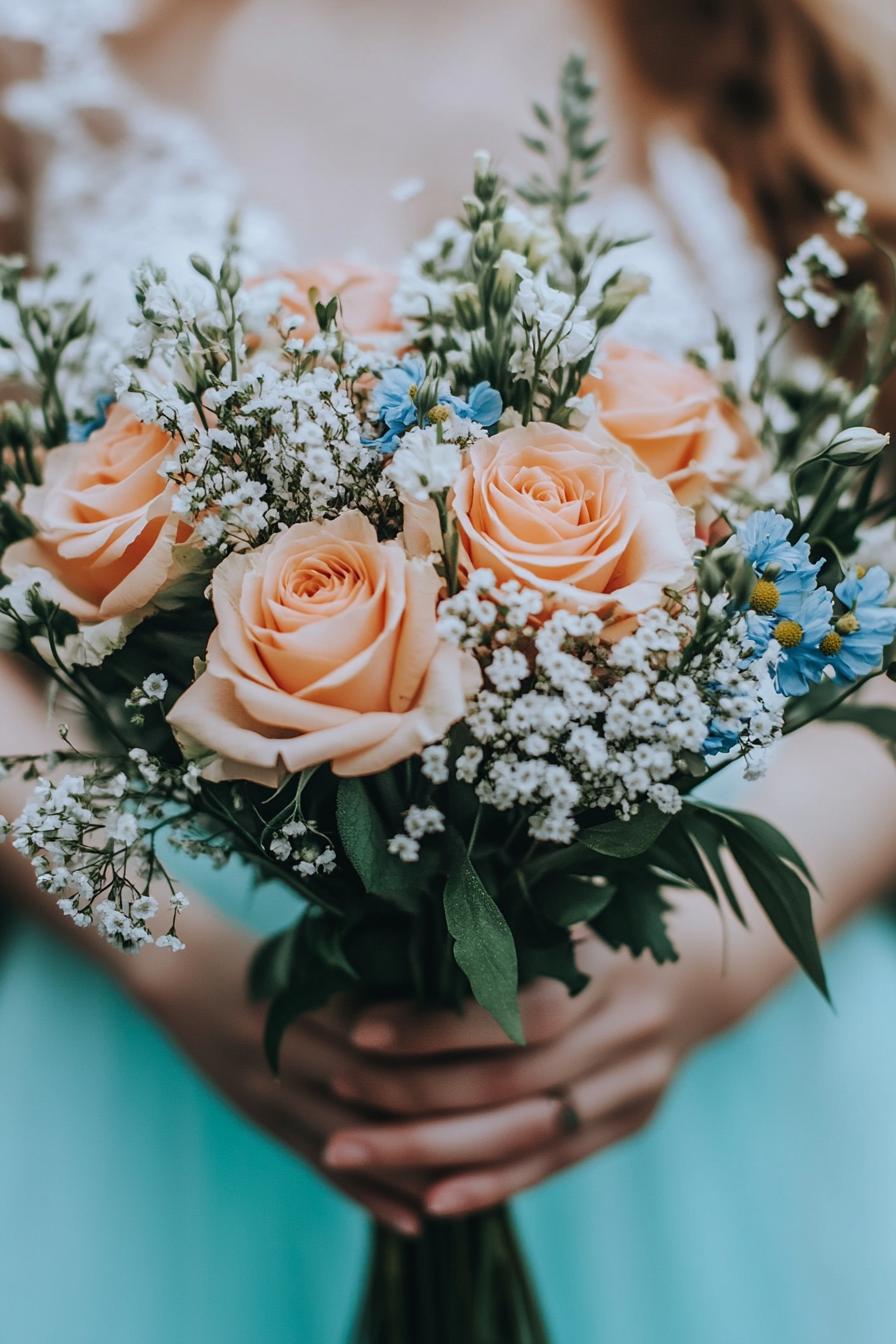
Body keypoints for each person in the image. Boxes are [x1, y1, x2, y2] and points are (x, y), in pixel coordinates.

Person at [1, 2, 896, 1342]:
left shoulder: (795, 87)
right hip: (166, 1061)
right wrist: (179, 960)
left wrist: (721, 955)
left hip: (703, 1050)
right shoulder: (43, 97)